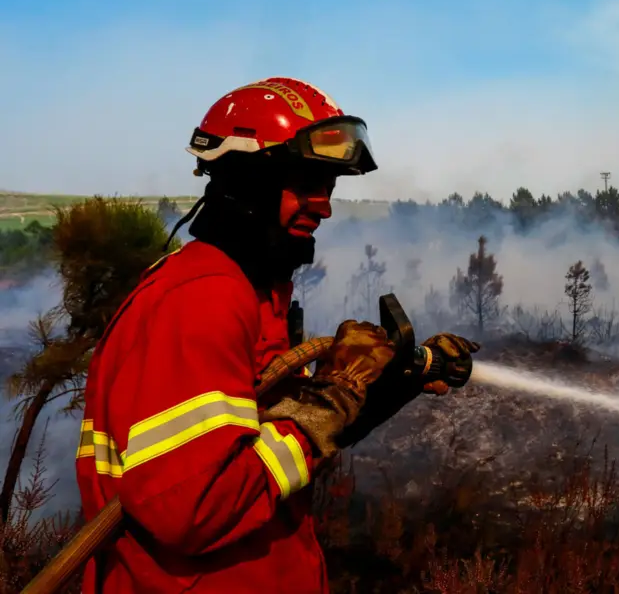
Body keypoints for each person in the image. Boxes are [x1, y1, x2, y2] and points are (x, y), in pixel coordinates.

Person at [75, 77, 479, 593]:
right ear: (247, 180)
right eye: (306, 183)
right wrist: (335, 394)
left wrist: (381, 387)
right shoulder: (202, 298)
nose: (325, 205)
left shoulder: (248, 293)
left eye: (329, 187)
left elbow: (274, 452)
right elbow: (191, 510)